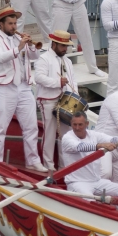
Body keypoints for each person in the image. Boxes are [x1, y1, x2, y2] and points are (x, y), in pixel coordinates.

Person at [0, 7, 45, 171]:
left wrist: (31, 46)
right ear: (1, 25)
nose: (14, 26)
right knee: (0, 128)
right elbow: (0, 57)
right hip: (3, 88)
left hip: (24, 87)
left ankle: (33, 161)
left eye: (15, 23)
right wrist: (18, 48)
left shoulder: (19, 39)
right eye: (10, 24)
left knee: (31, 126)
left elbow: (35, 57)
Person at [58, 114, 118, 201]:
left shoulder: (93, 134)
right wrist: (100, 145)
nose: (77, 128)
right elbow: (80, 147)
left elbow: (111, 139)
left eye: (80, 124)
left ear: (87, 124)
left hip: (97, 181)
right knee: (90, 201)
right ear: (71, 124)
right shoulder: (67, 138)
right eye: (74, 124)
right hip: (77, 183)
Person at [32, 29, 74, 171]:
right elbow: (38, 78)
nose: (65, 49)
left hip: (65, 101)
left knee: (66, 135)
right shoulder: (44, 58)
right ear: (54, 44)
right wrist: (57, 82)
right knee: (49, 133)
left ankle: (64, 166)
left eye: (66, 46)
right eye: (63, 46)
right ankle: (49, 166)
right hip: (48, 100)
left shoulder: (67, 61)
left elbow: (73, 81)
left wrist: (75, 97)